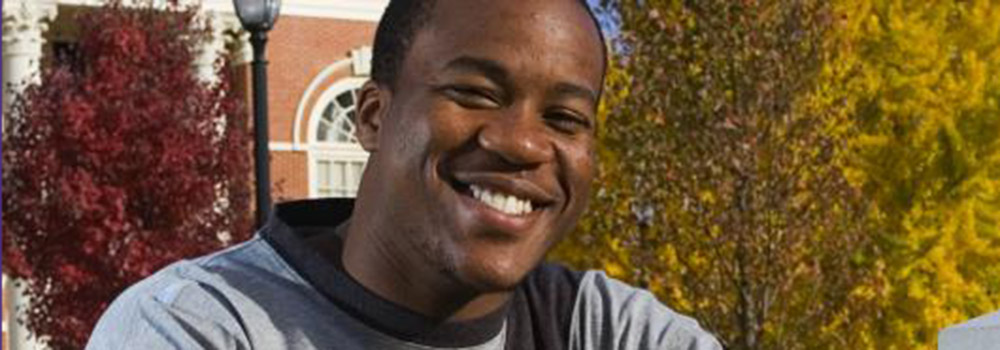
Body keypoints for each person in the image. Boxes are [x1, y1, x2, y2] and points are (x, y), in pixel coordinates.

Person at [87, 0, 722, 349]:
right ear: (371, 117)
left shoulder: (604, 331)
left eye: (564, 116)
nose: (524, 142)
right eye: (474, 92)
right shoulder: (200, 325)